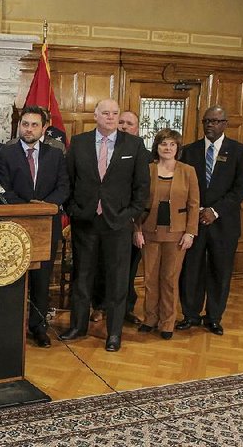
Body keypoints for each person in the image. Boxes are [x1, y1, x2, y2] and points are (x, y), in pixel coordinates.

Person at [60, 99, 150, 352]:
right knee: (82, 277)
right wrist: (73, 211)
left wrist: (129, 215)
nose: (110, 117)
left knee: (117, 280)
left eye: (115, 113)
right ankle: (78, 326)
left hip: (117, 223)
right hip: (85, 222)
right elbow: (68, 180)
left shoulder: (134, 144)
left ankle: (114, 334)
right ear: (96, 115)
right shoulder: (79, 143)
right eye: (105, 113)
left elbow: (142, 187)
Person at [0, 105, 69, 348]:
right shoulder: (6, 153)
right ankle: (11, 328)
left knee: (41, 280)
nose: (28, 129)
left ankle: (38, 328)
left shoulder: (56, 154)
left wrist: (45, 206)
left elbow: (63, 188)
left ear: (44, 128)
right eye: (25, 124)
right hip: (15, 227)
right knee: (13, 280)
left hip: (47, 227)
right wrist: (29, 207)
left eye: (34, 125)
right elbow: (1, 188)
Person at [178, 106, 243, 335]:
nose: (210, 125)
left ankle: (214, 317)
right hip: (194, 221)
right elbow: (183, 186)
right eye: (207, 121)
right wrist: (198, 210)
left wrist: (214, 211)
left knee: (220, 270)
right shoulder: (189, 151)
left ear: (225, 124)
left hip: (224, 223)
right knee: (191, 269)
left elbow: (241, 188)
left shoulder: (239, 151)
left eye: (216, 121)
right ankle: (190, 314)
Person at [133, 129, 199, 340]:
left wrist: (190, 232)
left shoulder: (188, 171)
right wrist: (137, 230)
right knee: (150, 279)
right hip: (149, 232)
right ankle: (150, 318)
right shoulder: (147, 169)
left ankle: (167, 322)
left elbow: (194, 204)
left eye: (172, 144)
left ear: (177, 148)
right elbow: (136, 202)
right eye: (163, 144)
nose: (167, 148)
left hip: (177, 234)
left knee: (169, 279)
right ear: (157, 147)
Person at [90, 110, 145, 325]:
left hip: (131, 223)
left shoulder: (141, 152)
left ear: (137, 128)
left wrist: (135, 222)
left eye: (128, 123)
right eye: (120, 122)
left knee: (127, 271)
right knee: (102, 267)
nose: (123, 126)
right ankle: (100, 305)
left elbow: (143, 192)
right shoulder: (106, 147)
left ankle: (126, 309)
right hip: (105, 220)